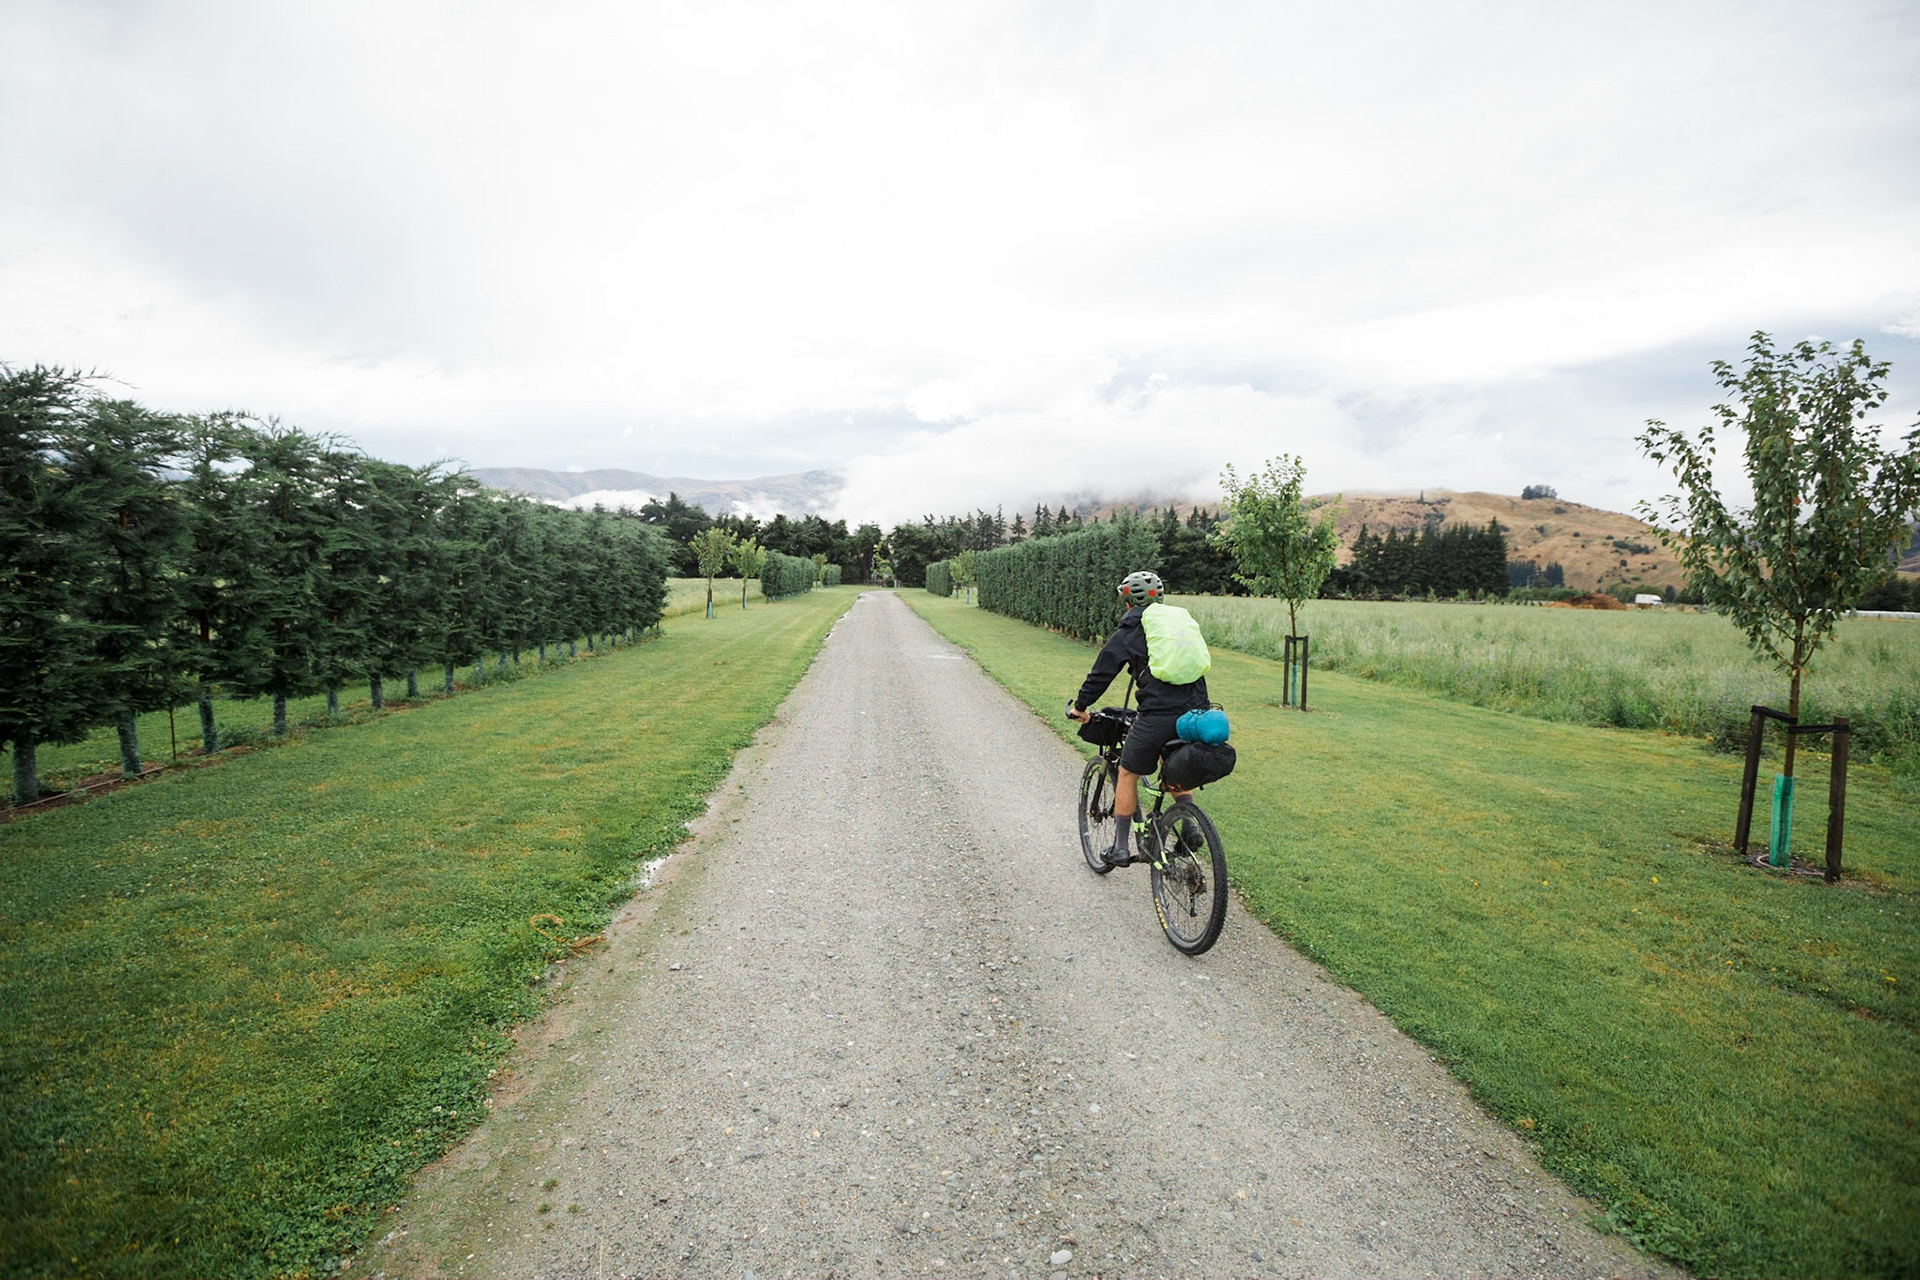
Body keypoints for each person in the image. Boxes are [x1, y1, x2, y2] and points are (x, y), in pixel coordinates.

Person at [1066, 570, 1210, 867]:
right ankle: (1190, 826)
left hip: (1158, 714)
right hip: (1198, 712)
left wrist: (1080, 706)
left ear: (1128, 602)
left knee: (1128, 772)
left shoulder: (1132, 628)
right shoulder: (1176, 623)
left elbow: (1102, 673)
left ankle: (1119, 847)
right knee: (1171, 761)